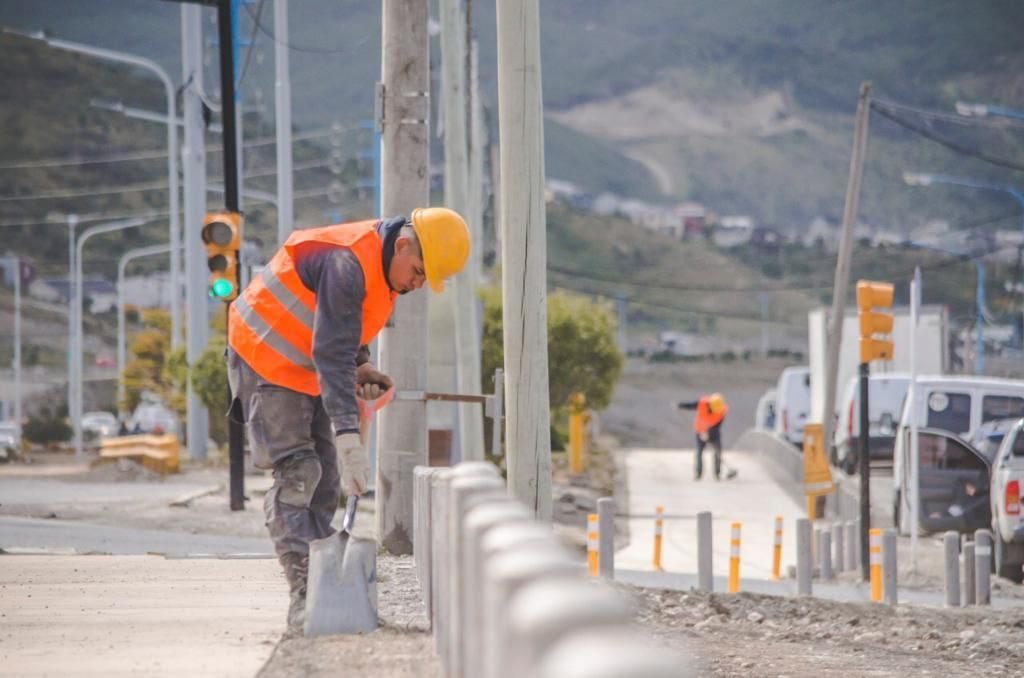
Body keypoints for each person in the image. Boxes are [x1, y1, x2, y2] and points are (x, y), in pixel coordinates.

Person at [225, 207, 470, 632]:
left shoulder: (381, 267)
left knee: (323, 483)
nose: (416, 284)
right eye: (417, 272)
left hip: (305, 367)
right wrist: (348, 434)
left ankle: (326, 597)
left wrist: (360, 366)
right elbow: (329, 351)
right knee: (300, 473)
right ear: (404, 245)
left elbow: (339, 331)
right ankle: (304, 600)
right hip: (264, 357)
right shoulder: (347, 263)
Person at [677, 393, 732, 480]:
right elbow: (691, 406)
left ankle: (717, 474)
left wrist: (708, 433)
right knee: (699, 452)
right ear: (710, 404)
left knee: (718, 452)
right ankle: (698, 474)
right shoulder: (702, 403)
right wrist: (680, 405)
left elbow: (717, 425)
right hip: (700, 432)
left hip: (714, 434)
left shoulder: (722, 410)